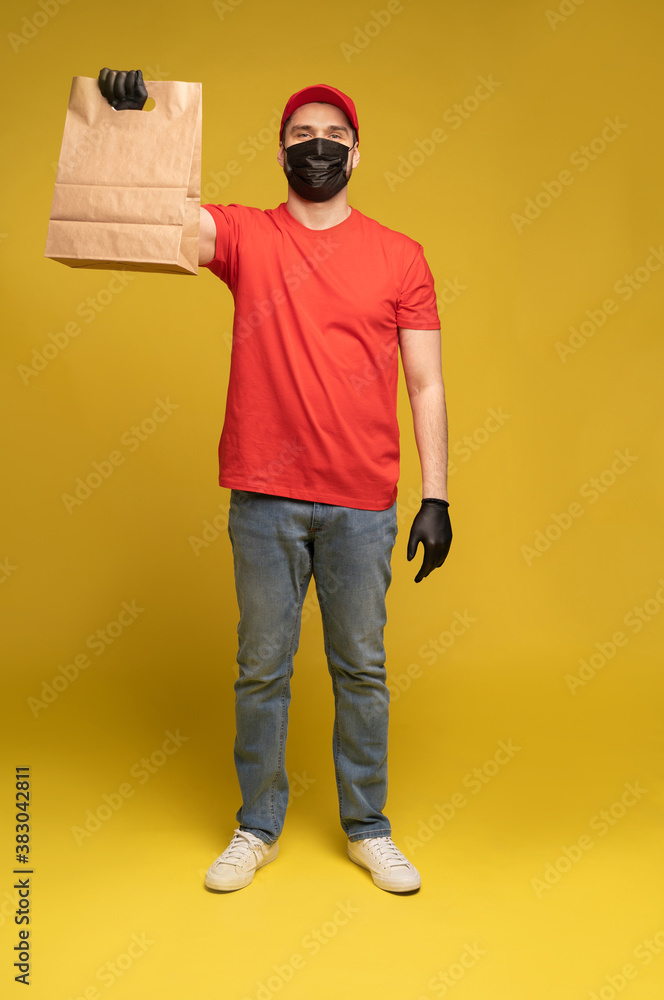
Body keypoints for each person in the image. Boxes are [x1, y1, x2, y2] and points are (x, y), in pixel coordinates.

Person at [97, 69, 453, 894]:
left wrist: (436, 496)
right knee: (262, 667)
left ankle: (367, 826)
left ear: (355, 154)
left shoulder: (401, 256)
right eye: (300, 135)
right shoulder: (245, 235)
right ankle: (255, 826)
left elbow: (426, 383)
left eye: (331, 135)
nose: (316, 145)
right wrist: (131, 126)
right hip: (262, 497)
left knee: (360, 668)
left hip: (362, 503)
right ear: (281, 153)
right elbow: (153, 221)